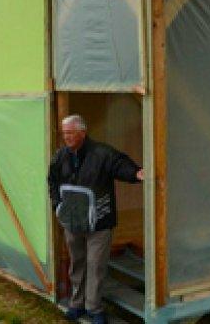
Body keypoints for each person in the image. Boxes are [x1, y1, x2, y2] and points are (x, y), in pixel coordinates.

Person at [48, 114, 144, 324]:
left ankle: (94, 308)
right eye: (64, 133)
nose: (66, 137)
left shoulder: (102, 153)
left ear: (82, 132)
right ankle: (77, 304)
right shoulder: (60, 156)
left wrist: (136, 173)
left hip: (99, 223)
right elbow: (52, 181)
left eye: (70, 133)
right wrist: (58, 206)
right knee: (77, 263)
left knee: (96, 265)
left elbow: (120, 164)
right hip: (72, 221)